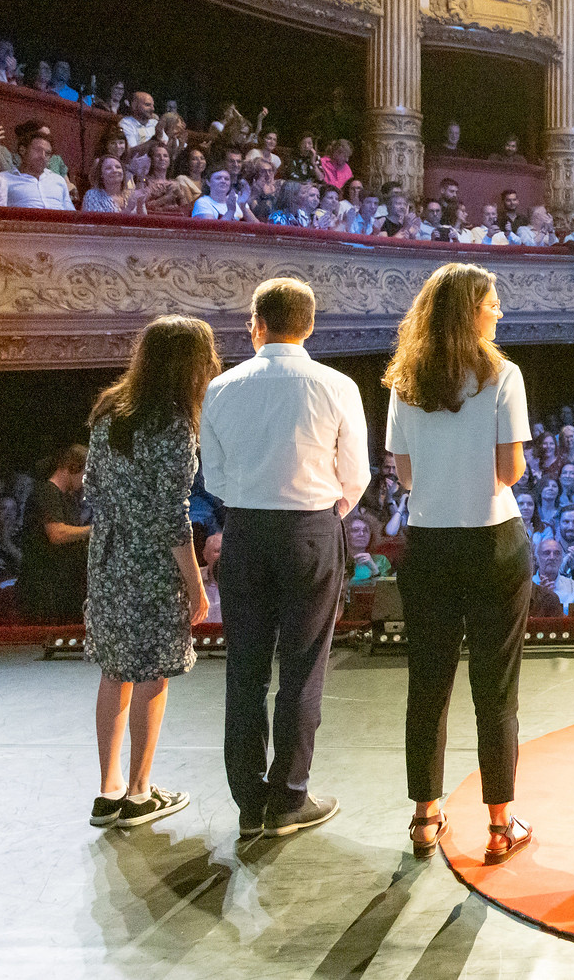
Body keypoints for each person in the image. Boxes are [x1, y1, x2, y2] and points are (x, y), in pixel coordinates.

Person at [200, 278, 370, 841]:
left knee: (244, 670)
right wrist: (324, 516)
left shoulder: (221, 388)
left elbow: (216, 477)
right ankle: (288, 799)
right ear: (311, 325)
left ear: (256, 324)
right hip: (311, 530)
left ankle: (250, 804)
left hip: (245, 531)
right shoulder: (336, 384)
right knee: (302, 668)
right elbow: (357, 474)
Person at [383, 264, 534, 863]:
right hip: (493, 540)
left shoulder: (405, 379)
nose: (499, 312)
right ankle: (500, 826)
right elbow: (510, 470)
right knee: (495, 689)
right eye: (492, 303)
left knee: (428, 685)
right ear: (470, 310)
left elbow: (404, 472)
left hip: (429, 543)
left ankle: (425, 819)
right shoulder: (502, 374)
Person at [81, 317, 221, 830]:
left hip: (109, 556)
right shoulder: (174, 424)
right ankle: (140, 793)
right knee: (152, 674)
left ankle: (108, 790)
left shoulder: (108, 412)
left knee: (114, 671)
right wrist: (195, 584)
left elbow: (92, 489)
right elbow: (171, 516)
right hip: (153, 564)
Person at [18, 444, 89, 621]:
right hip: (45, 588)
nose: (85, 481)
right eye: (84, 475)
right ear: (73, 467)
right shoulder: (46, 493)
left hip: (63, 586)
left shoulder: (67, 498)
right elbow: (56, 534)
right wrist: (94, 531)